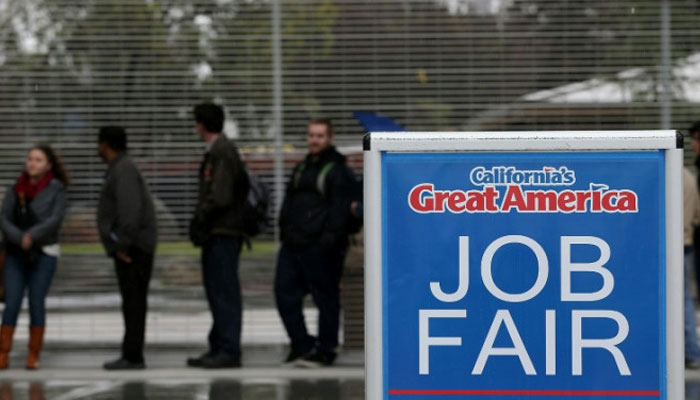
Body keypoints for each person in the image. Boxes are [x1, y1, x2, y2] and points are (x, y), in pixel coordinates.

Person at [275, 118, 354, 367]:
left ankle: (326, 348)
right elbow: (289, 202)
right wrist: (284, 231)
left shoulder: (339, 171)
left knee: (326, 299)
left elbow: (340, 211)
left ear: (329, 138)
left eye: (319, 135)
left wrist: (328, 241)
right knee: (284, 293)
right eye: (311, 135)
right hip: (293, 244)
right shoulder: (301, 168)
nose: (314, 140)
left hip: (321, 247)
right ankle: (302, 344)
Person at [186, 102, 248, 369]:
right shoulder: (219, 151)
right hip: (218, 231)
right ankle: (219, 346)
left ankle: (228, 349)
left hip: (223, 231)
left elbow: (220, 196)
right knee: (217, 291)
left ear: (201, 124)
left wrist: (200, 218)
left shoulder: (222, 152)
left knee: (224, 291)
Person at [0, 144, 69, 370]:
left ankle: (33, 354)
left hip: (44, 253)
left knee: (36, 302)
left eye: (38, 160)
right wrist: (20, 237)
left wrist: (32, 235)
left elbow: (55, 219)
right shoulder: (16, 188)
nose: (32, 163)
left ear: (48, 165)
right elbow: (4, 218)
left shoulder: (56, 189)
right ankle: (3, 353)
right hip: (16, 252)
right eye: (30, 159)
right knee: (11, 303)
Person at [97, 126, 157, 370]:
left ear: (105, 145)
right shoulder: (121, 168)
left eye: (99, 143)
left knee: (133, 302)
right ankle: (131, 353)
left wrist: (122, 244)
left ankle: (133, 355)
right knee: (131, 302)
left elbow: (130, 213)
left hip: (133, 249)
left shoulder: (123, 170)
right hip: (131, 246)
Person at [684, 166, 700, 369]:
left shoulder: (662, 174)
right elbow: (697, 215)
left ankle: (691, 351)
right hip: (686, 241)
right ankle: (691, 351)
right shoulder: (688, 177)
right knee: (683, 297)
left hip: (669, 244)